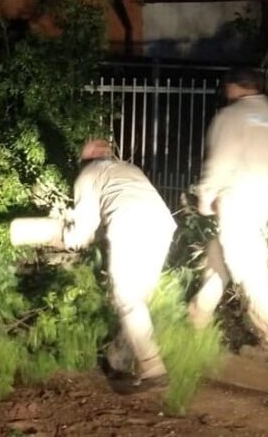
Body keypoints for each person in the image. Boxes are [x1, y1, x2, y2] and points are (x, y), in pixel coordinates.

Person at [187, 67, 268, 364]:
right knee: (218, 254)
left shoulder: (231, 118)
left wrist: (206, 197)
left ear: (236, 87)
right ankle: (197, 316)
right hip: (261, 202)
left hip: (235, 202)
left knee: (250, 271)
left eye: (227, 85)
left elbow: (220, 162)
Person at [63, 139, 177, 390]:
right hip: (162, 224)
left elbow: (84, 228)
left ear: (87, 157)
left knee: (127, 300)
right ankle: (119, 361)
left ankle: (153, 370)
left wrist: (68, 237)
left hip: (129, 226)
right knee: (137, 303)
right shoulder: (129, 169)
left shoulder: (87, 174)